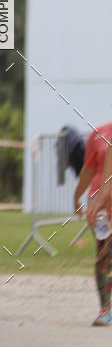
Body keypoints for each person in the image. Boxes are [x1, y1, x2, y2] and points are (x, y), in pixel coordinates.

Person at [75, 121, 112, 325]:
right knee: (106, 252)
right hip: (102, 203)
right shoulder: (99, 133)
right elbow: (88, 169)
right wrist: (77, 195)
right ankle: (106, 308)